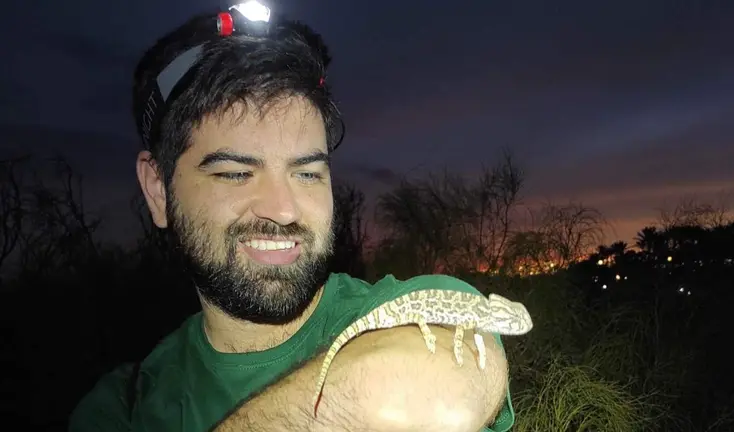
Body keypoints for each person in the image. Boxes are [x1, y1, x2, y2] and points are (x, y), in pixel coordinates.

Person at [69, 2, 516, 431]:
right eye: (235, 173)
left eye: (307, 173)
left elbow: (452, 386)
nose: (283, 210)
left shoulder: (400, 304)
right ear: (157, 190)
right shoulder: (123, 411)